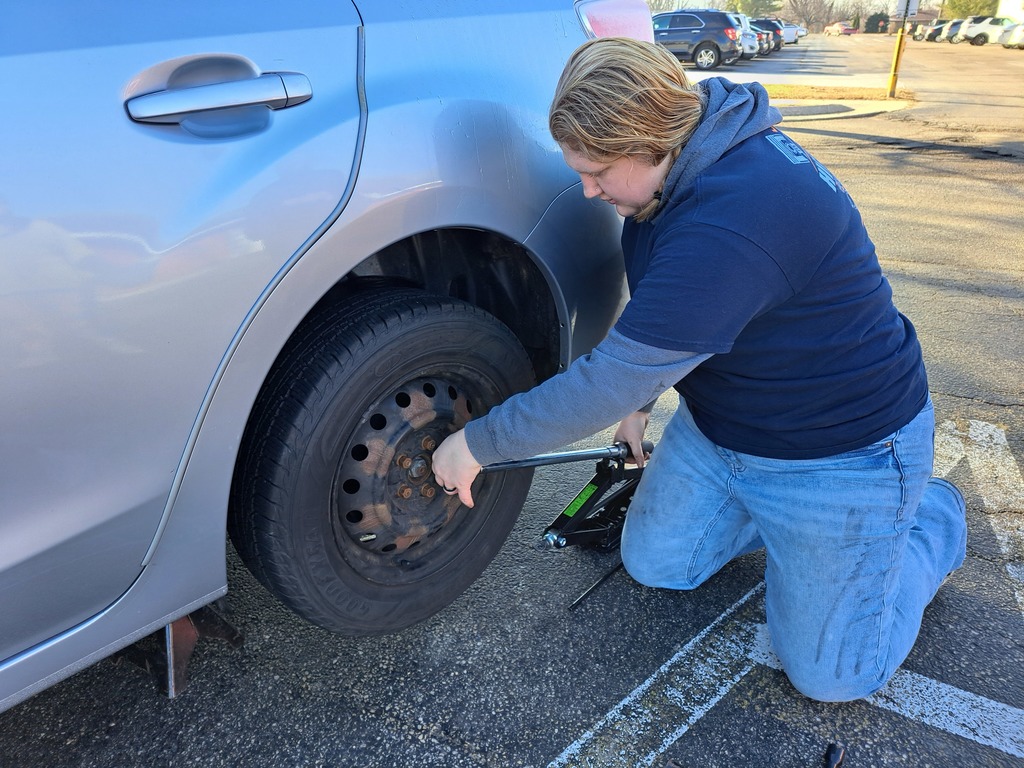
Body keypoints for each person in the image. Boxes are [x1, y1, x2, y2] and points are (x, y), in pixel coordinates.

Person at [431, 37, 966, 702]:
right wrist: (641, 407)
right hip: (725, 432)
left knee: (834, 676)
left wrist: (478, 442)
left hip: (838, 453)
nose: (589, 190)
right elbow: (662, 312)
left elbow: (608, 376)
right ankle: (804, 547)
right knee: (657, 563)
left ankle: (927, 521)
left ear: (649, 140)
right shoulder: (681, 161)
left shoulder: (738, 216)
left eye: (597, 171)